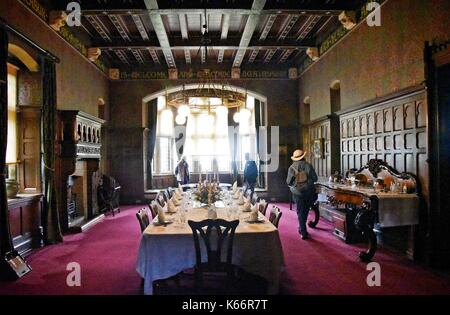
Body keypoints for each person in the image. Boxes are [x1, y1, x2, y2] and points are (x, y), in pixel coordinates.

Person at [286, 149, 318, 240]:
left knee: (300, 211)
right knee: (305, 210)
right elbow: (315, 178)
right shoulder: (308, 165)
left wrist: (294, 184)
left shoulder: (292, 167)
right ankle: (302, 228)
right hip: (308, 191)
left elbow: (288, 181)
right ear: (303, 156)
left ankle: (303, 231)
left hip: (297, 192)